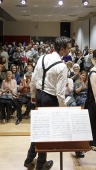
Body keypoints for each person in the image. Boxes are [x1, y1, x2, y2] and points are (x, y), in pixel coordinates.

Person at [23, 36, 72, 170]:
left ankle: (29, 159)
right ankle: (40, 165)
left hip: (39, 95)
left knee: (39, 129)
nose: (69, 50)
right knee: (45, 132)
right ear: (61, 49)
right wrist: (64, 111)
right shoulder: (62, 66)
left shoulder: (42, 58)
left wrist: (33, 95)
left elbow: (33, 79)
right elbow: (60, 94)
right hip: (50, 98)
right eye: (68, 48)